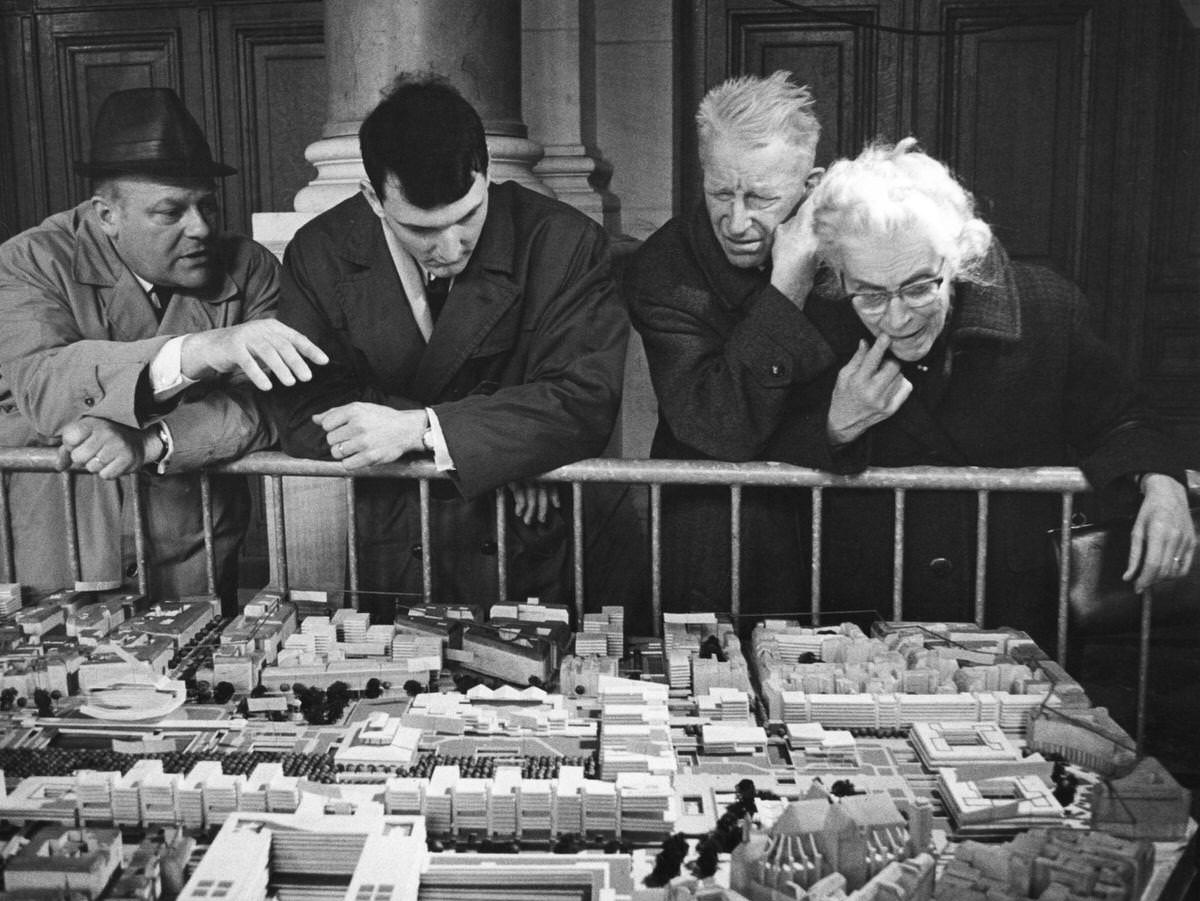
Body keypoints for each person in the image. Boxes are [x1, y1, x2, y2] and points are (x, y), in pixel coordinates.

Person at [794, 137, 1195, 644]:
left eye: (920, 287)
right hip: (869, 617)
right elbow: (764, 444)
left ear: (956, 257)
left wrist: (1163, 483)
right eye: (870, 295)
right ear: (839, 276)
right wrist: (833, 424)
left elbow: (1118, 418)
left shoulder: (1045, 310)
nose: (896, 318)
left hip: (1011, 616)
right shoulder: (816, 324)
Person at [269, 73, 628, 616]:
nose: (451, 246)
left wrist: (412, 430)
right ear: (373, 197)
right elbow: (301, 412)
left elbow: (583, 401)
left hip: (525, 542)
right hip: (396, 537)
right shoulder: (319, 252)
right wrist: (505, 448)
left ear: (485, 175)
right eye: (421, 229)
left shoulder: (564, 242)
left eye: (467, 216)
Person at [0, 87, 327, 612]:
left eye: (206, 207)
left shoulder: (251, 267)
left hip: (190, 557)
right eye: (170, 212)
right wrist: (200, 351)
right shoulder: (30, 262)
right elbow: (42, 383)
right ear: (107, 215)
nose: (200, 228)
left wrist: (153, 439)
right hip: (63, 557)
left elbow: (272, 406)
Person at [626, 71, 834, 620]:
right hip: (714, 535)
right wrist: (788, 286)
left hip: (836, 527)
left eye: (762, 198)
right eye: (721, 191)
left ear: (811, 189)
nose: (737, 221)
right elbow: (716, 423)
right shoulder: (664, 268)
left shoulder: (854, 247)